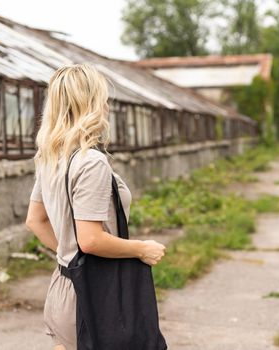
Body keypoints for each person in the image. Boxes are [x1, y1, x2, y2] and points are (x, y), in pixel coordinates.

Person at [25, 64, 166, 350]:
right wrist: (142, 248)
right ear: (89, 104)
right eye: (103, 98)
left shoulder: (52, 157)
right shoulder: (90, 162)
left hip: (63, 287)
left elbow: (35, 221)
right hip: (92, 294)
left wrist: (69, 255)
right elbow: (90, 240)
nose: (107, 106)